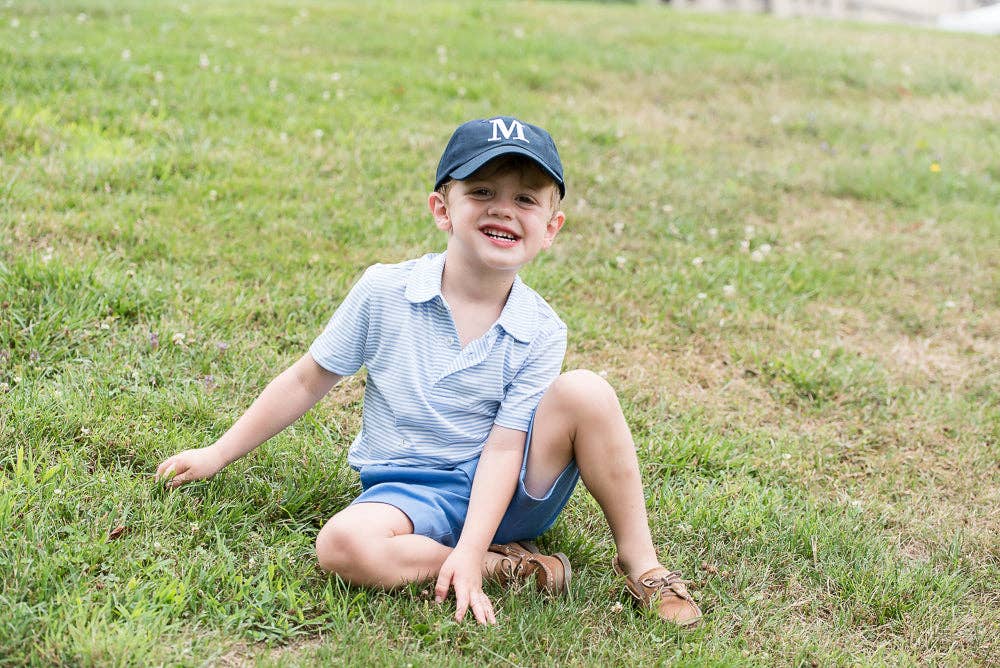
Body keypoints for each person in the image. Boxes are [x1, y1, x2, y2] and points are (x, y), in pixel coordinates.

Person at [155, 116, 702, 628]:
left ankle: (642, 563)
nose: (503, 210)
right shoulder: (385, 291)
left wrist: (471, 540)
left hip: (508, 491)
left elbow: (507, 444)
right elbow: (307, 379)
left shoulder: (541, 328)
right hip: (410, 492)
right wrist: (217, 453)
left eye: (525, 199)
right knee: (341, 545)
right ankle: (506, 568)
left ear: (551, 227)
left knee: (587, 390)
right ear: (443, 209)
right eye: (482, 192)